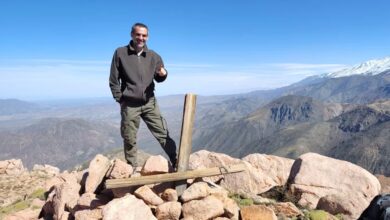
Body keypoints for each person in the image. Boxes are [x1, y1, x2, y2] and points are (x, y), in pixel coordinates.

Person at [109, 22, 177, 168]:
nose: (141, 38)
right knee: (129, 138)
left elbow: (159, 77)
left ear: (148, 37)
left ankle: (176, 160)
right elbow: (113, 79)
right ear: (132, 35)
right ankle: (131, 168)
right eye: (138, 34)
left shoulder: (153, 56)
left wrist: (163, 74)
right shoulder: (120, 53)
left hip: (149, 102)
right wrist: (120, 99)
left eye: (144, 35)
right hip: (129, 104)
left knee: (162, 133)